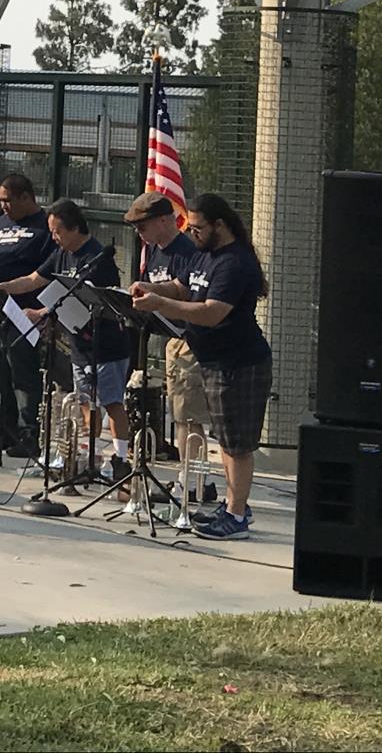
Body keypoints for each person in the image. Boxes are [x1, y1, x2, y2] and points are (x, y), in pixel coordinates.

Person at [130, 191, 273, 541]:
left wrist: (159, 303)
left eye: (196, 227)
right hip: (213, 360)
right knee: (224, 439)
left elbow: (211, 311)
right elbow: (183, 286)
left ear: (219, 225)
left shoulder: (234, 262)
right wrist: (152, 287)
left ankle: (237, 516)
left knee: (238, 444)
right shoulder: (204, 255)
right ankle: (231, 505)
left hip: (240, 362)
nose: (191, 233)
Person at [2, 200, 130, 482]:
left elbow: (84, 300)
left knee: (111, 402)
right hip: (79, 345)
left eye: (58, 231)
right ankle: (87, 454)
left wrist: (42, 313)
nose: (54, 237)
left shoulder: (97, 258)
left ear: (74, 227)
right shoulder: (61, 254)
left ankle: (122, 458)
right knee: (84, 401)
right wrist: (1, 289)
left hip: (106, 344)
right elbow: (34, 279)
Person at [126, 191, 208, 498]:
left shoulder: (186, 250)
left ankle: (195, 483)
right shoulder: (156, 252)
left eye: (143, 226)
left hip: (190, 339)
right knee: (178, 413)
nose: (139, 233)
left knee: (189, 415)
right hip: (169, 339)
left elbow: (184, 289)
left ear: (164, 220)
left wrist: (152, 290)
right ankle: (189, 478)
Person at [0, 172, 54, 459]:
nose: (3, 206)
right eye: (0, 201)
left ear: (26, 197)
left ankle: (28, 432)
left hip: (24, 312)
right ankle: (2, 428)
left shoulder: (44, 227)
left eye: (8, 201)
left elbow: (46, 273)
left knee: (23, 375)